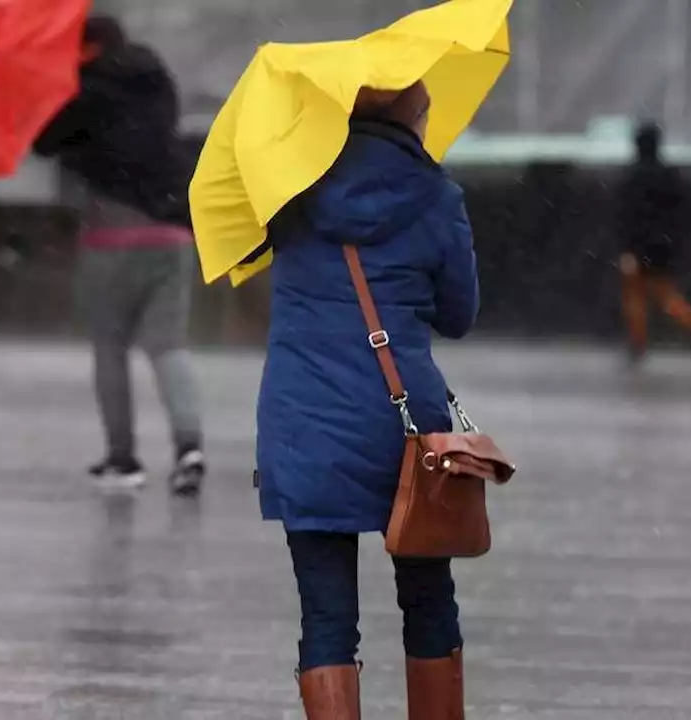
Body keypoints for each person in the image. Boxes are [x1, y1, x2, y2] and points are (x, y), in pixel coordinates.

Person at [256, 82, 476, 718]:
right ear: (414, 116)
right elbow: (459, 314)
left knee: (326, 617)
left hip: (302, 423)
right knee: (429, 600)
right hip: (402, 423)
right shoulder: (437, 196)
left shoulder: (290, 191)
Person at [35, 16, 205, 495]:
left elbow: (43, 142)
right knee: (168, 344)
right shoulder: (156, 80)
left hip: (110, 232)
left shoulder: (85, 91)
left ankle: (122, 458)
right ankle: (189, 447)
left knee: (110, 349)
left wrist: (58, 97)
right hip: (172, 231)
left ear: (88, 48)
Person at [617, 122, 691, 361]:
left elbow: (628, 215)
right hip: (665, 245)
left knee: (635, 297)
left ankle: (637, 344)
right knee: (668, 296)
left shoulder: (633, 176)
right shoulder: (669, 175)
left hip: (638, 245)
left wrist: (628, 248)